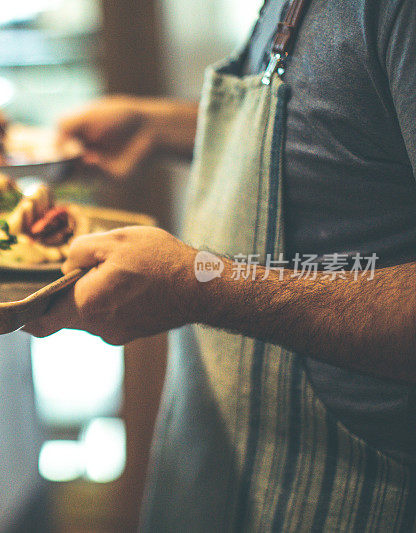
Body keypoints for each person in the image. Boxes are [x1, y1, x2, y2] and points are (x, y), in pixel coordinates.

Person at [23, 0, 416, 530]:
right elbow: (342, 126)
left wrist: (200, 287)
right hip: (224, 458)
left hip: (354, 489)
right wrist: (159, 124)